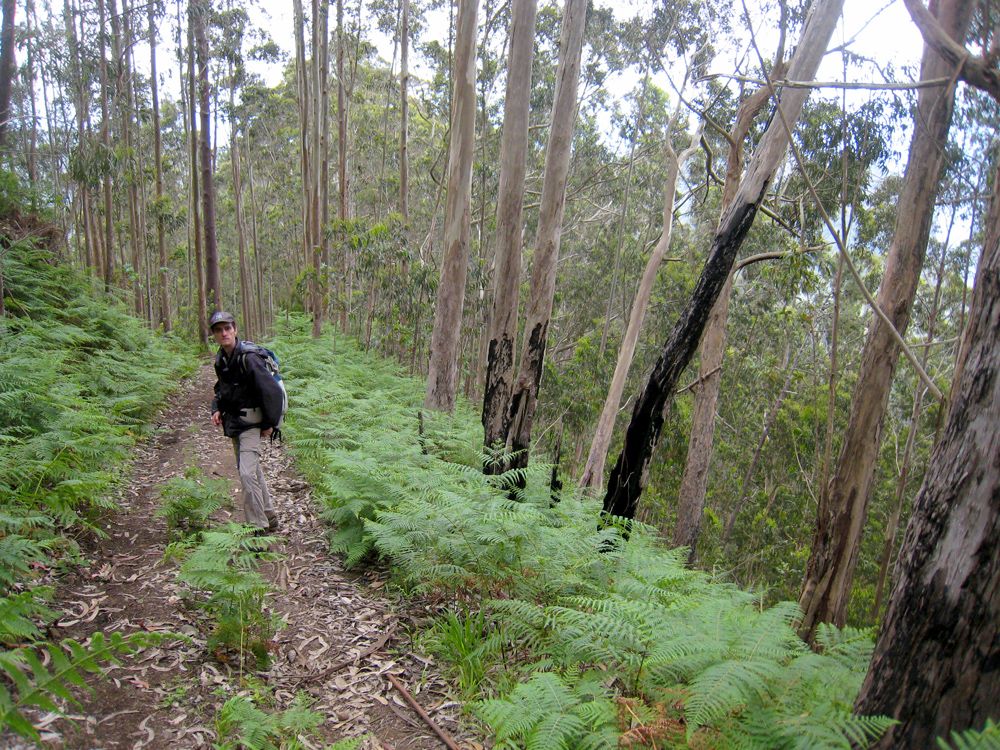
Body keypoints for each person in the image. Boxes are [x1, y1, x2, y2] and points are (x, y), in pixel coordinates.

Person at [208, 311, 283, 534]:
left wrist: (270, 423)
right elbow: (221, 389)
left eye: (227, 328)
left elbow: (272, 392)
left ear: (235, 329)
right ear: (213, 334)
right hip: (233, 424)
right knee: (252, 470)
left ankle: (257, 528)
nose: (224, 333)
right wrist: (216, 409)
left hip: (251, 423)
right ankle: (269, 516)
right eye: (219, 330)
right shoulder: (221, 359)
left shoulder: (249, 358)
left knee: (247, 474)